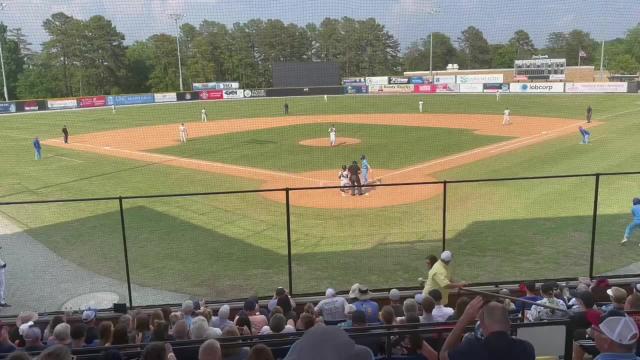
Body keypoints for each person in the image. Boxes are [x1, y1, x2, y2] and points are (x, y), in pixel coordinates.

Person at [440, 296, 535, 360]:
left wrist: (464, 319)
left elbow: (443, 355)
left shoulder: (470, 347)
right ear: (509, 324)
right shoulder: (526, 349)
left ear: (482, 325)